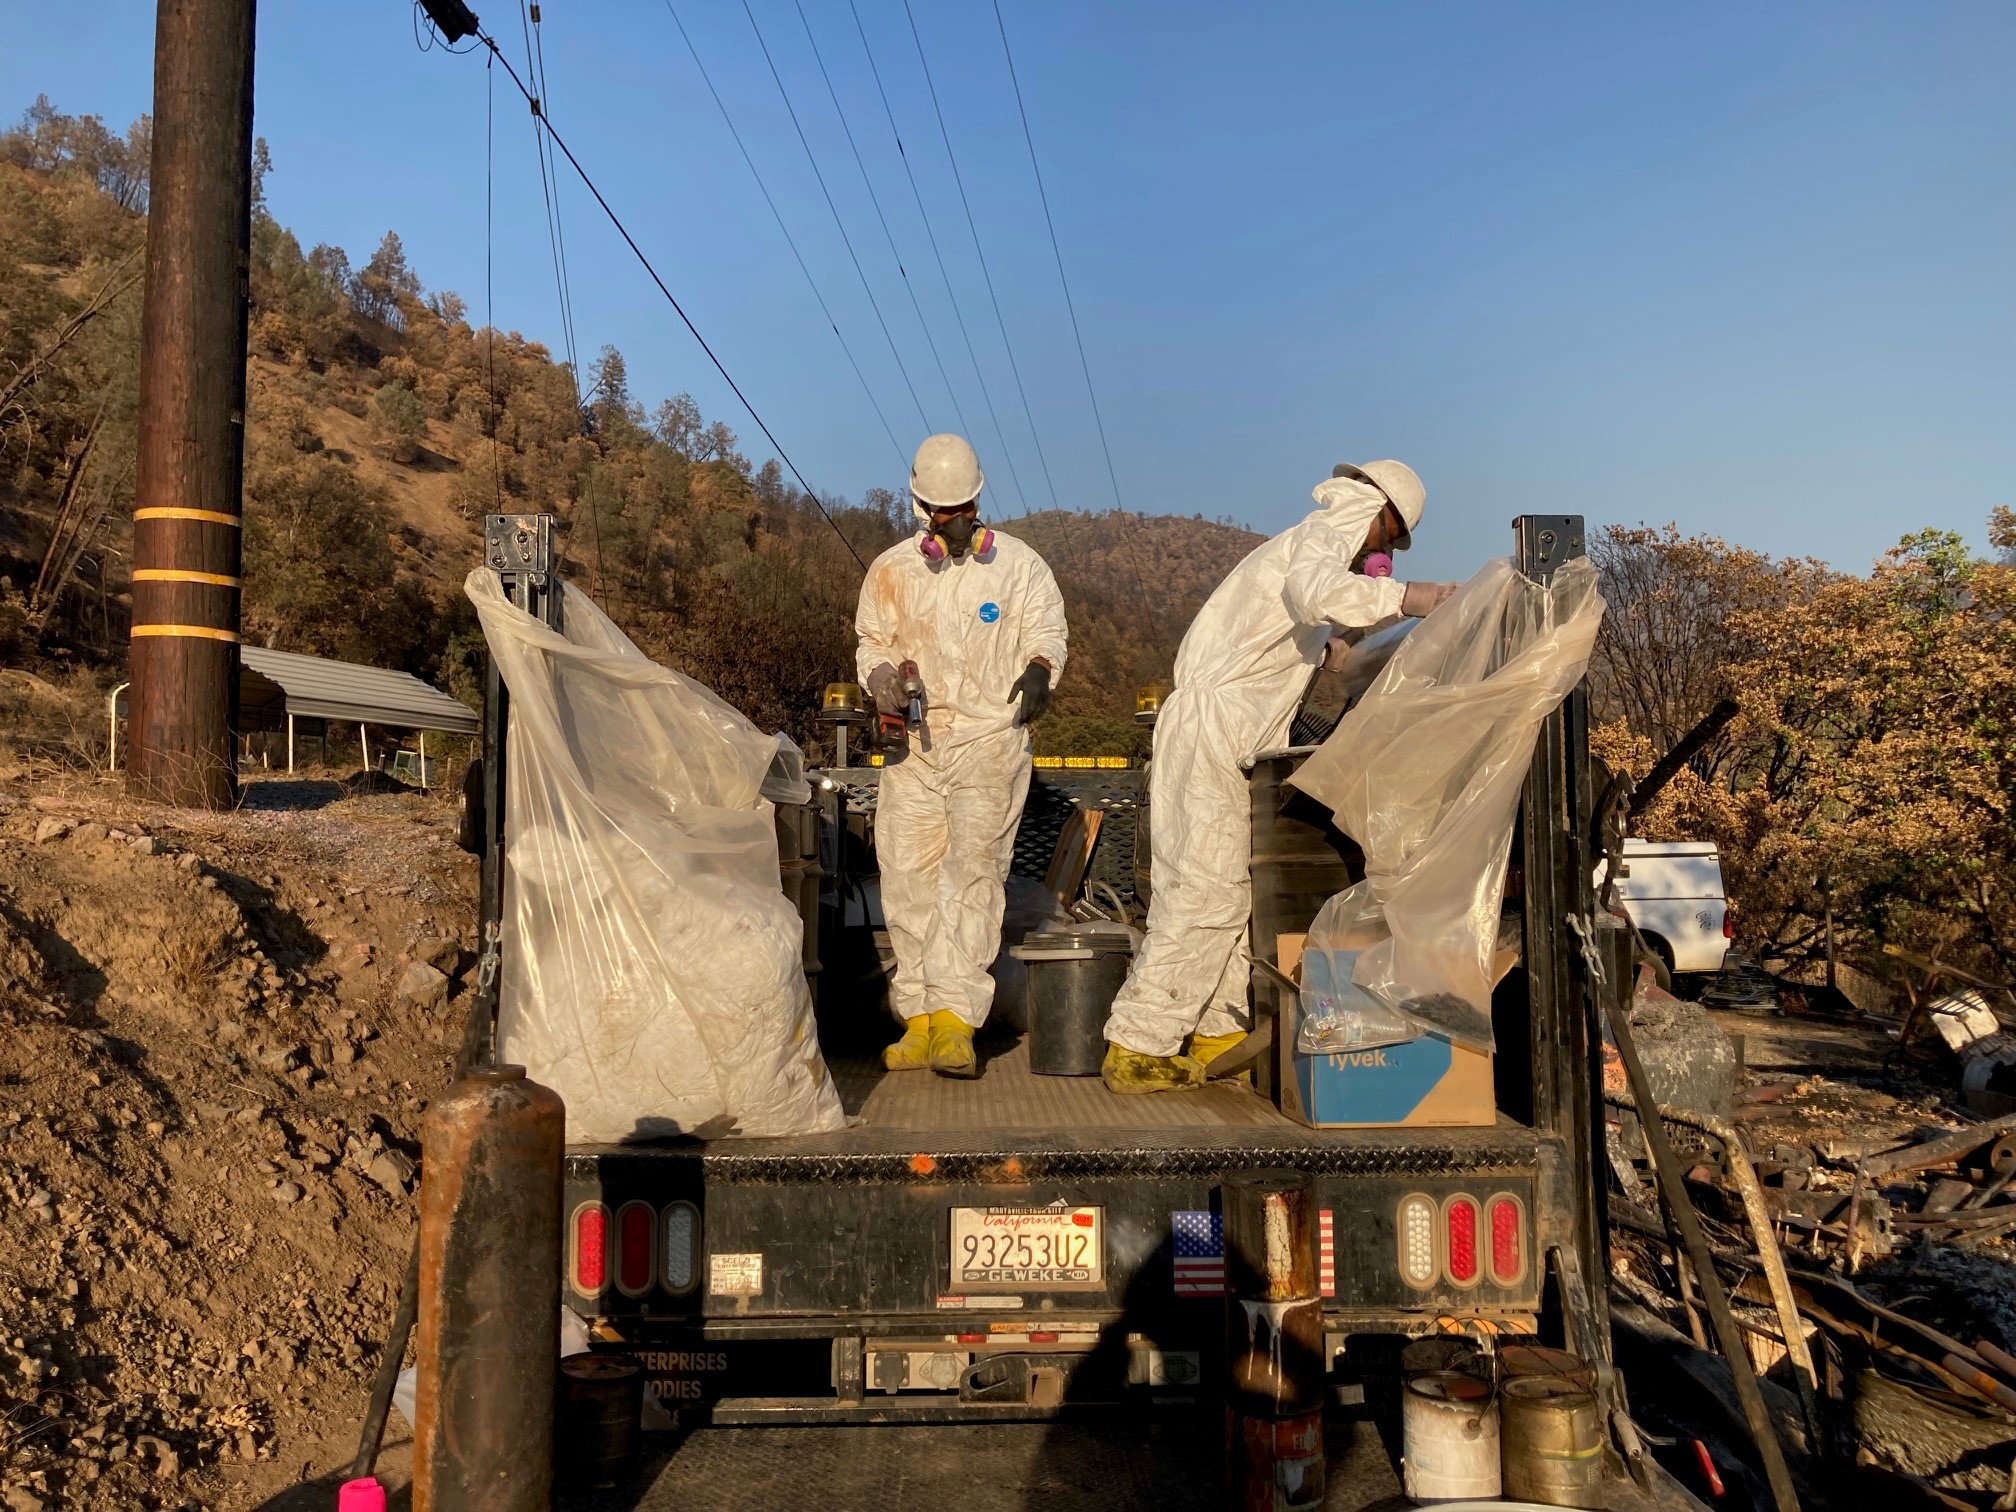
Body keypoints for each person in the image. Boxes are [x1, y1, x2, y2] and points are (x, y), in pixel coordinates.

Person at [1101, 461, 1459, 1093]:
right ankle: (1138, 1043)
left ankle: (1216, 1029)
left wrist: (1329, 651)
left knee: (1229, 893)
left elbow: (1284, 621)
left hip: (1217, 730)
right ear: (1379, 513)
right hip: (1216, 729)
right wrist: (1409, 598)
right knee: (1206, 893)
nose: (1380, 555)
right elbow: (1316, 591)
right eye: (1390, 539)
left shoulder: (1300, 545)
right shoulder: (1328, 532)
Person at [858, 434, 1068, 1077]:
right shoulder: (891, 570)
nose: (955, 524)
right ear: (920, 508)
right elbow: (872, 642)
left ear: (978, 501)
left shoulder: (1019, 565)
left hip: (988, 739)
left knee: (971, 876)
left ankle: (955, 1020)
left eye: (965, 510)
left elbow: (1048, 629)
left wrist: (1041, 668)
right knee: (907, 878)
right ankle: (920, 1018)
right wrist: (880, 678)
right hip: (916, 746)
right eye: (943, 513)